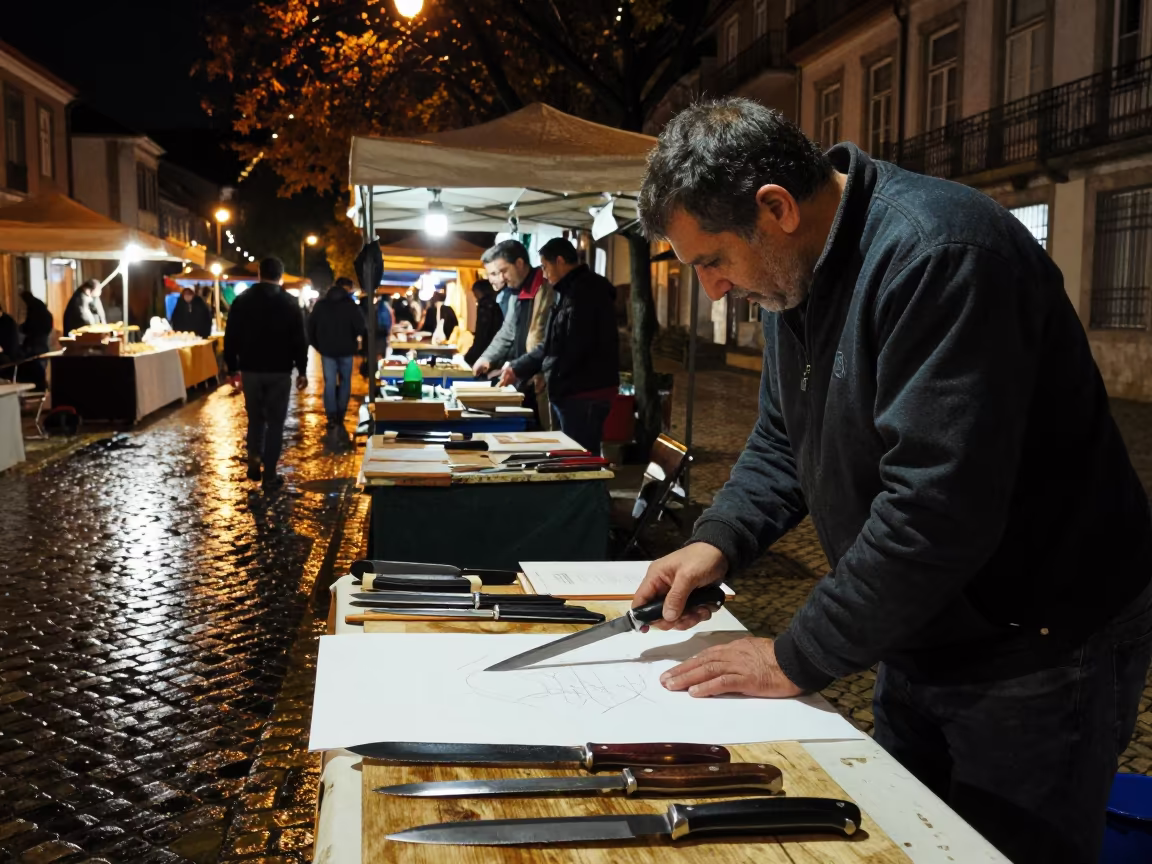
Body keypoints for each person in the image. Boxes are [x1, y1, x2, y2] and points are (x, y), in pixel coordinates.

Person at [630, 97, 1152, 864]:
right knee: (906, 841)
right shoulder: (792, 275)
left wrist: (794, 657)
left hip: (1038, 646)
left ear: (773, 208)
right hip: (920, 627)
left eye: (711, 261)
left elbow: (938, 508)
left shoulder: (939, 255)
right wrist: (718, 541)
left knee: (1004, 850)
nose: (712, 290)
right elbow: (783, 436)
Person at [499, 239, 618, 454]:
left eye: (545, 266)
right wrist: (518, 368)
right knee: (577, 457)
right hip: (574, 392)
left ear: (560, 261)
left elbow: (572, 346)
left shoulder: (585, 292)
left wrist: (552, 375)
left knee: (581, 459)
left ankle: (592, 488)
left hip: (584, 393)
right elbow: (553, 343)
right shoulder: (569, 291)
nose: (544, 274)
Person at [223, 257, 308, 491]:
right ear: (280, 275)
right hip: (280, 370)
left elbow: (231, 337)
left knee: (255, 418)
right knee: (276, 422)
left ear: (259, 274)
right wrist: (301, 369)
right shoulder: (290, 303)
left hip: (251, 369)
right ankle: (269, 472)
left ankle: (254, 456)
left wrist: (231, 368)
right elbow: (300, 339)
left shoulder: (242, 301)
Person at [472, 240, 555, 427]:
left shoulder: (546, 287)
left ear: (519, 263)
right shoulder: (516, 292)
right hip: (524, 374)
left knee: (550, 433)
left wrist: (536, 369)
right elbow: (508, 331)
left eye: (503, 271)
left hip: (543, 375)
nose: (501, 278)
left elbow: (548, 340)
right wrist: (487, 357)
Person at [308, 276, 367, 429]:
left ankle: (331, 415)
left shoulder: (321, 305)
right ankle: (341, 413)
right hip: (346, 350)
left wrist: (319, 346)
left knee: (329, 383)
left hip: (327, 351)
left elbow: (310, 328)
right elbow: (361, 327)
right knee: (345, 381)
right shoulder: (351, 305)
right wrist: (354, 341)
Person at [463, 279, 503, 367]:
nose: (475, 296)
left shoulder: (485, 305)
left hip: (485, 350)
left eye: (475, 293)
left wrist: (471, 355)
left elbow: (482, 333)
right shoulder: (497, 303)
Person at [18, 291, 52, 392]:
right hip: (42, 336)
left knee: (36, 359)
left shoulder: (33, 306)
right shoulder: (38, 304)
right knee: (41, 360)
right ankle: (41, 383)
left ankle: (39, 384)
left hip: (37, 338)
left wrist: (22, 328)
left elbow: (30, 323)